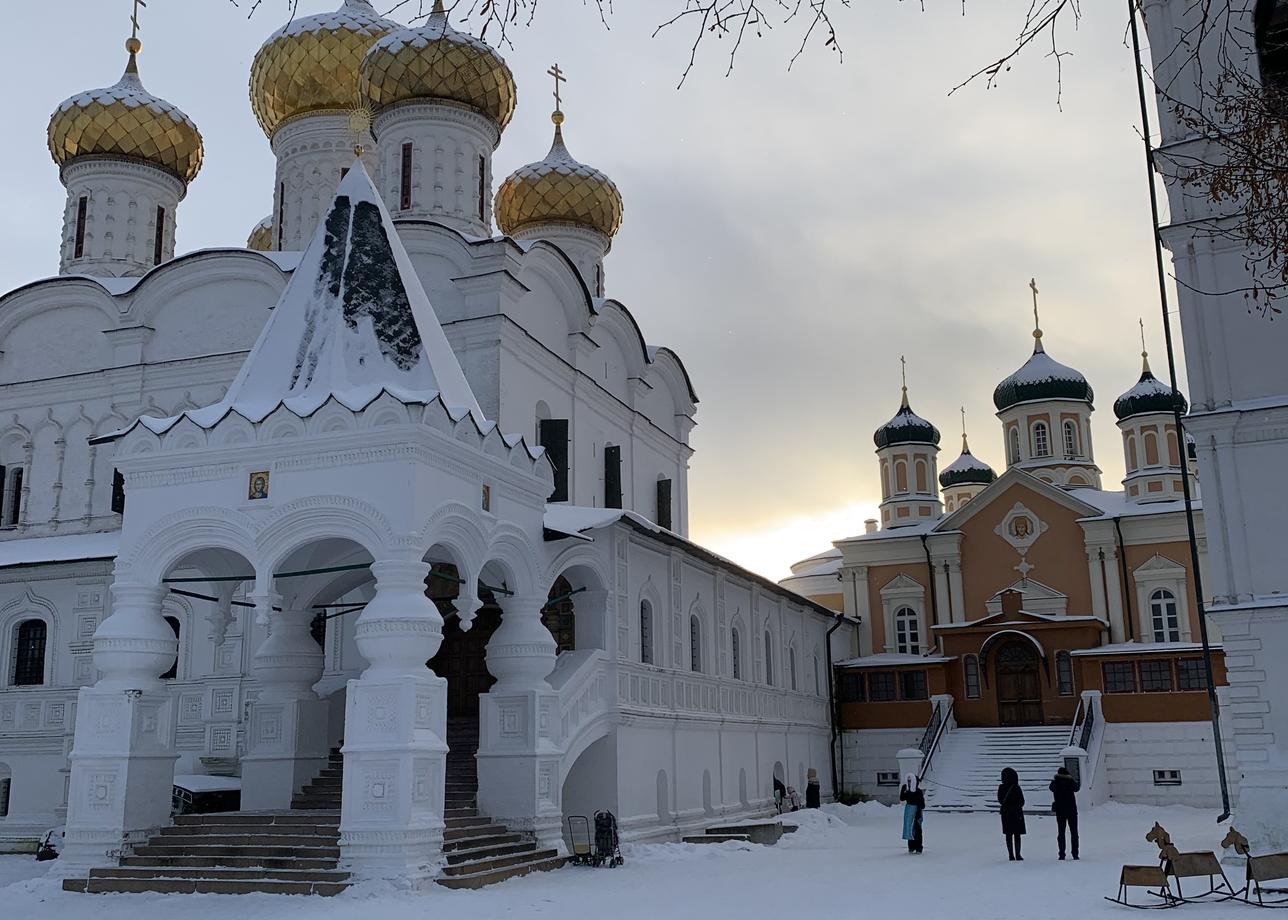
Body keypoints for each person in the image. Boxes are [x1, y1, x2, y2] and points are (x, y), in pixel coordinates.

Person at [1049, 766, 1080, 860]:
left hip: (1060, 810)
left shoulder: (1055, 783)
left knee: (1061, 832)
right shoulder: (1070, 782)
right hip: (1071, 810)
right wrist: (1070, 778)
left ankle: (1061, 854)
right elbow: (1077, 788)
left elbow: (1051, 788)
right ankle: (1075, 853)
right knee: (1074, 832)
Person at [998, 766, 1026, 861]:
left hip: (1006, 813)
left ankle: (1010, 855)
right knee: (1017, 834)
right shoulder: (1016, 787)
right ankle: (1018, 854)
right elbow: (1022, 801)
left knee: (1008, 834)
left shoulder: (1001, 787)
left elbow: (1000, 800)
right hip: (1016, 813)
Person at [899, 773, 925, 854]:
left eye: (911, 781)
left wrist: (917, 812)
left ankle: (918, 847)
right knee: (909, 830)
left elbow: (922, 804)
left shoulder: (918, 791)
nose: (910, 783)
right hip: (909, 811)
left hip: (916, 811)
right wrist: (904, 791)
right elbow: (902, 798)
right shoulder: (906, 789)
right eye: (908, 781)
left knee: (917, 830)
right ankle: (911, 847)